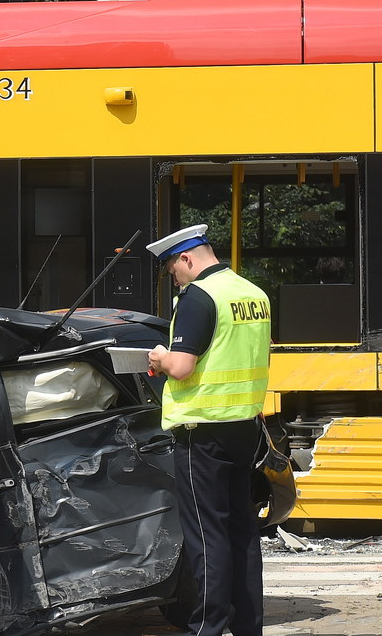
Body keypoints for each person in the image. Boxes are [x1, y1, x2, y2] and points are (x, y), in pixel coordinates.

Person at [146, 224, 270, 636]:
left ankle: (207, 628)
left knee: (206, 535)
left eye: (171, 270)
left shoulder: (200, 295)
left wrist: (160, 358)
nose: (173, 278)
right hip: (244, 428)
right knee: (241, 532)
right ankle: (249, 627)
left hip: (204, 434)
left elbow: (181, 367)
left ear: (186, 258)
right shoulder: (253, 293)